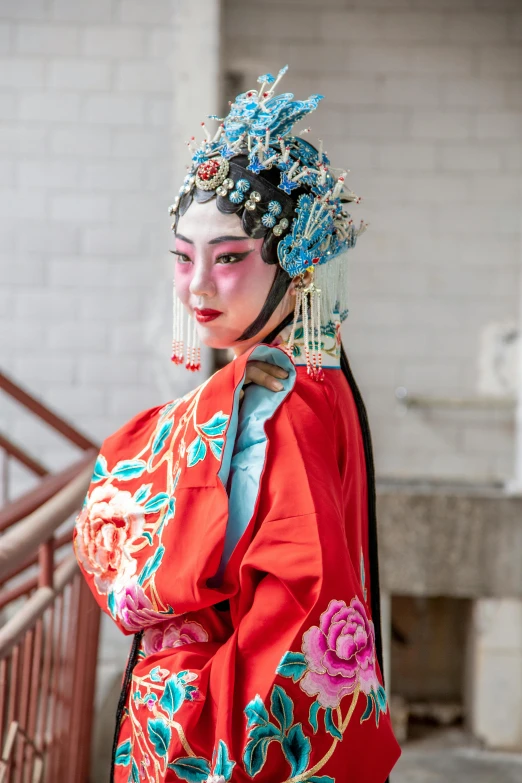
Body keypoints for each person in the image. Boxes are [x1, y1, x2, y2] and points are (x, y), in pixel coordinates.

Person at [73, 66, 401, 783]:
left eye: (228, 260)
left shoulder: (272, 400)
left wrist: (185, 705)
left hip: (225, 719)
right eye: (183, 258)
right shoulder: (322, 374)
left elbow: (295, 607)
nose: (197, 287)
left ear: (298, 263)